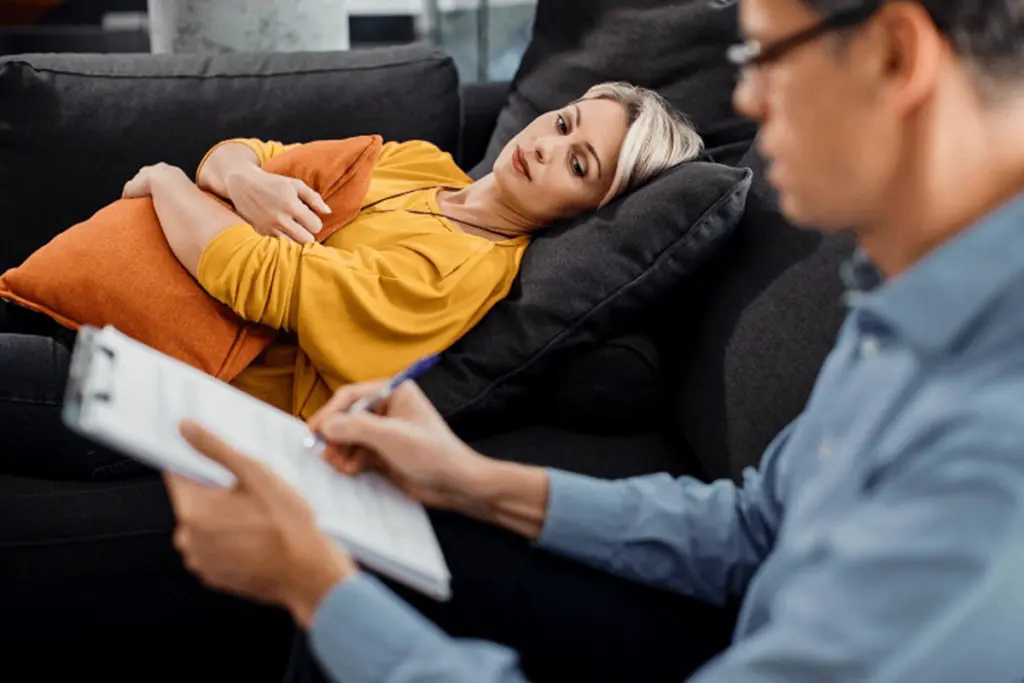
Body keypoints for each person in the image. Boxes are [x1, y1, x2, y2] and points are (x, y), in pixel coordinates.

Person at [163, 0, 1024, 681]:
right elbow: (754, 528)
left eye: (767, 55)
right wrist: (472, 480)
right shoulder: (903, 305)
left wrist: (318, 591)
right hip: (749, 614)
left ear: (894, 57)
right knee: (399, 542)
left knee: (351, 594)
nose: (753, 104)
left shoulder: (985, 462)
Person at [0, 81, 703, 482]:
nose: (547, 146)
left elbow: (253, 275)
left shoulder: (459, 276)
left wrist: (164, 177)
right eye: (564, 122)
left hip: (166, 389)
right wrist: (245, 179)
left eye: (578, 165)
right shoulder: (425, 165)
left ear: (592, 212)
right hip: (96, 303)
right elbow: (250, 153)